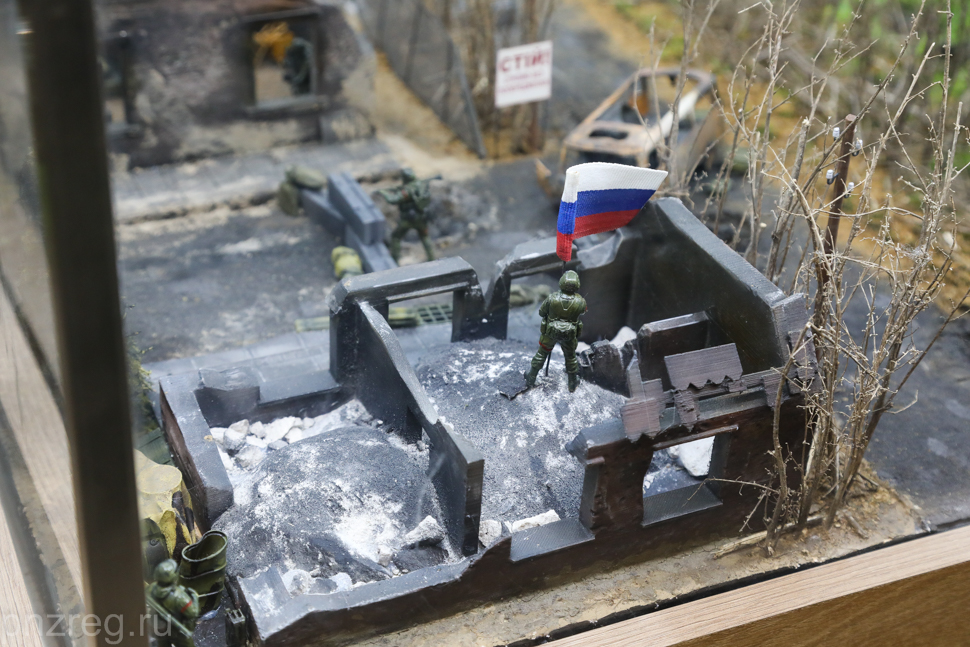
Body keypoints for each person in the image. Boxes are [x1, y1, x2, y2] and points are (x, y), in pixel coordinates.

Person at [525, 270, 587, 392]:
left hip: (550, 333)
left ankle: (531, 377)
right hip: (569, 334)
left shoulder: (552, 298)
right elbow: (583, 311)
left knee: (541, 354)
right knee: (570, 357)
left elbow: (541, 312)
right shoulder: (580, 301)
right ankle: (572, 382)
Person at [379, 168, 439, 262]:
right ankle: (432, 258)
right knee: (424, 237)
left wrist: (384, 193)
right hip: (421, 217)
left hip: (408, 219)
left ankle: (395, 259)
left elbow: (393, 199)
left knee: (396, 237)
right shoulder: (420, 184)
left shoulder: (408, 189)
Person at [148, 560, 200, 647]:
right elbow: (193, 613)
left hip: (160, 630)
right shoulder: (180, 597)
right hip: (178, 632)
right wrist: (195, 597)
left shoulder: (151, 589)